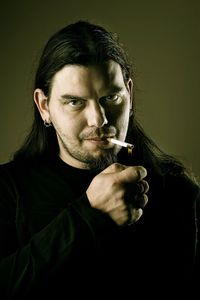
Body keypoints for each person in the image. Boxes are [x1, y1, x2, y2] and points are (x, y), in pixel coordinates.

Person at [0, 20, 199, 299]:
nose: (99, 119)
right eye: (75, 102)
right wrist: (88, 215)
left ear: (129, 94)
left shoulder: (179, 193)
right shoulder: (6, 191)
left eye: (111, 97)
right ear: (44, 107)